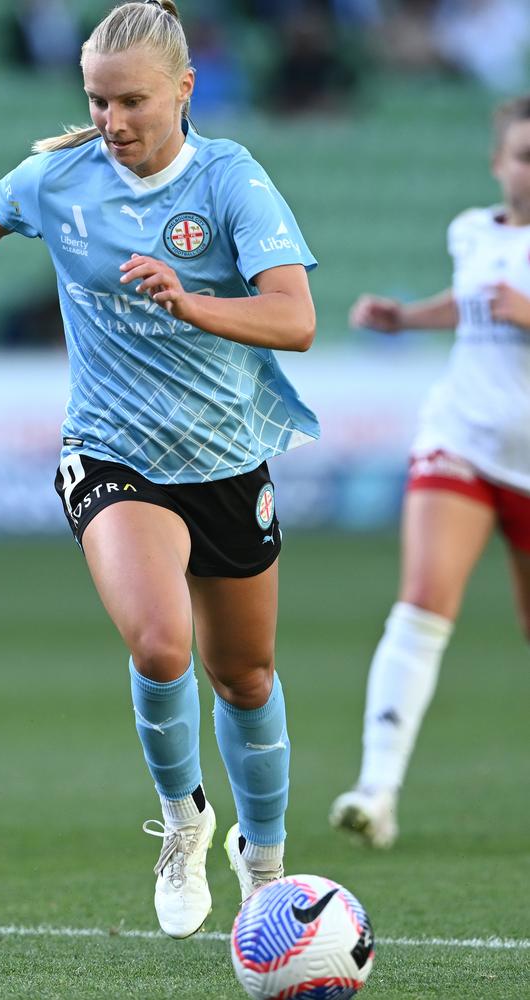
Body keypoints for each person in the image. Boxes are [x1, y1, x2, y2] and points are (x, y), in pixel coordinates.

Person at [0, 1, 319, 937]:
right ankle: (182, 822)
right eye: (97, 101)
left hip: (224, 458)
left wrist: (193, 303)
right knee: (161, 645)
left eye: (132, 101)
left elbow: (293, 319)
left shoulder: (231, 183)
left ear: (184, 88)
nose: (113, 122)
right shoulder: (59, 178)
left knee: (245, 677)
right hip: (110, 449)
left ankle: (266, 864)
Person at [329, 94, 530, 848]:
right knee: (421, 605)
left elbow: (510, 306)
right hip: (464, 441)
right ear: (497, 162)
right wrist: (406, 317)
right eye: (524, 155)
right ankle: (376, 791)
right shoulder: (472, 232)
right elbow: (472, 303)